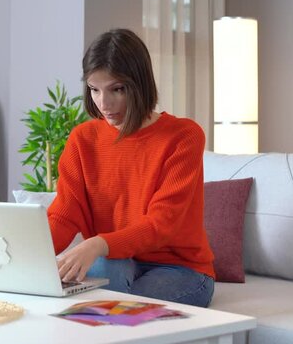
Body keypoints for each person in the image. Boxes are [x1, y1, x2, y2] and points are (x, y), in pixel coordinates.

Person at [47, 28, 215, 307]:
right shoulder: (82, 139)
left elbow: (161, 224)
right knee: (101, 285)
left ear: (139, 85)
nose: (104, 103)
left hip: (181, 270)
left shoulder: (184, 136)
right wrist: (23, 259)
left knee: (109, 305)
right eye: (94, 89)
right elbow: (64, 216)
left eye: (117, 89)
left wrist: (97, 243)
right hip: (116, 260)